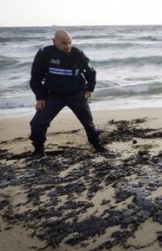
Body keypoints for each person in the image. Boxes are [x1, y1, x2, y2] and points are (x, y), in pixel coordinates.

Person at [29, 29, 107, 157]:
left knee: (88, 123)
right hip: (53, 95)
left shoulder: (77, 53)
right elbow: (35, 78)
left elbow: (91, 71)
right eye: (64, 43)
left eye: (69, 43)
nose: (67, 46)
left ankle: (97, 145)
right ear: (54, 41)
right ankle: (39, 150)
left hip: (76, 95)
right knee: (37, 123)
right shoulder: (45, 53)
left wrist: (90, 88)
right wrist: (40, 97)